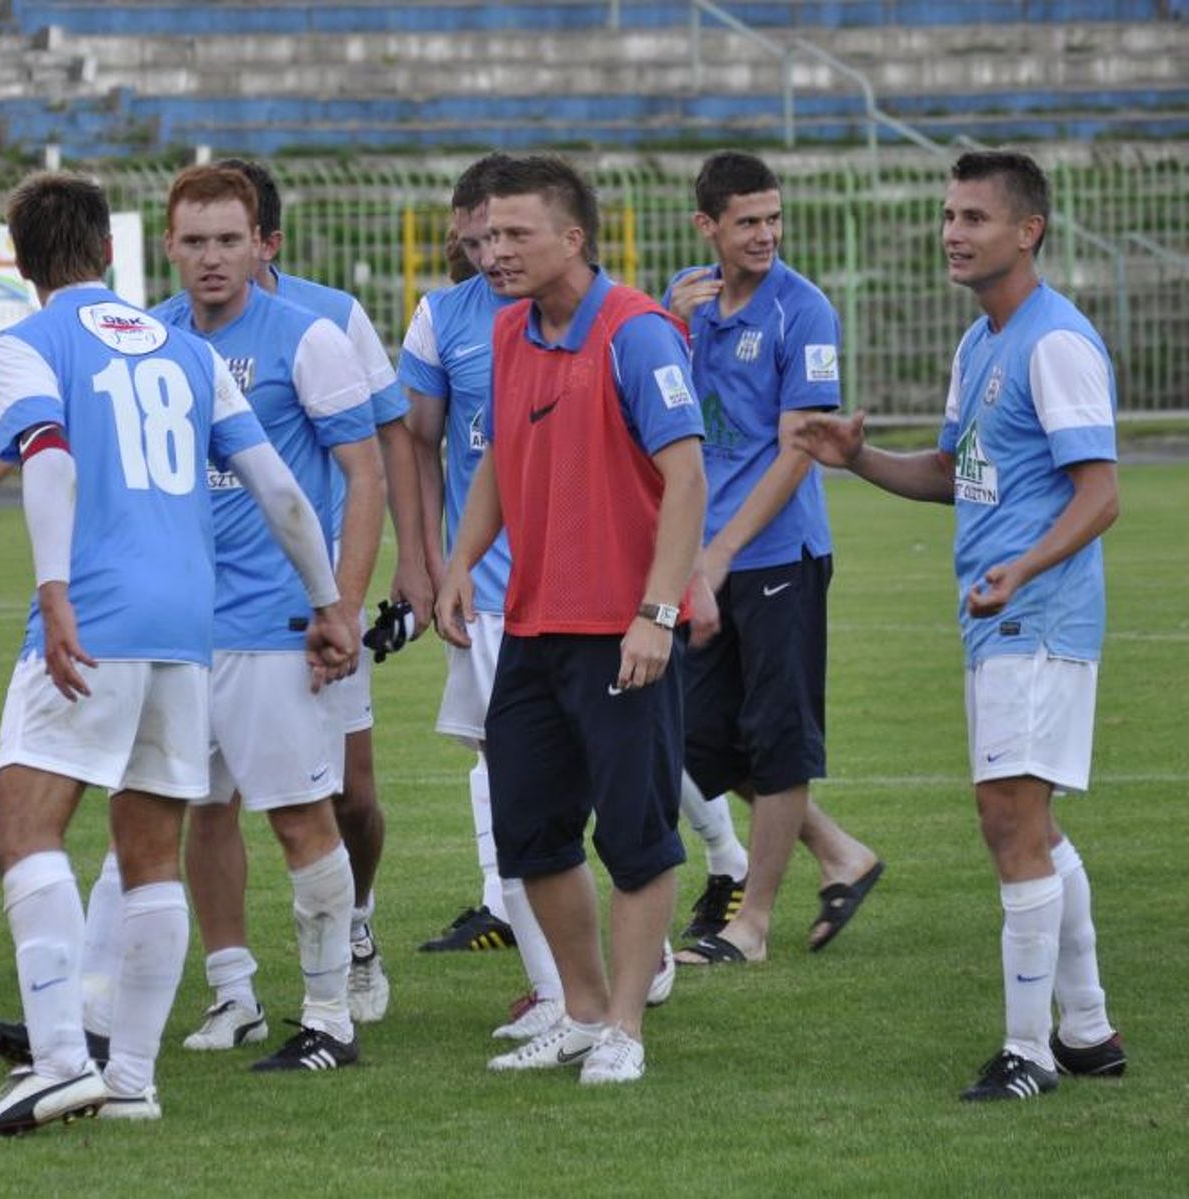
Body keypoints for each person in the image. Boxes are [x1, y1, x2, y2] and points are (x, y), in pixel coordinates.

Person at [0, 170, 355, 1136]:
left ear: (21, 259)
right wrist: (329, 601)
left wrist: (52, 588)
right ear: (108, 252)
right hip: (191, 623)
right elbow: (283, 492)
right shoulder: (185, 350)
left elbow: (46, 458)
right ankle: (128, 1077)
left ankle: (57, 1062)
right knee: (149, 852)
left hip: (95, 614)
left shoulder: (24, 343)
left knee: (23, 832)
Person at [794, 150, 1125, 1101]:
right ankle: (1089, 1028)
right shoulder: (983, 342)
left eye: (974, 216)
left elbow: (1100, 494)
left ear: (1028, 231)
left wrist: (1021, 566)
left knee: (1007, 821)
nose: (952, 231)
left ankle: (1029, 1052)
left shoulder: (1055, 342)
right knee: (1031, 822)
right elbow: (954, 474)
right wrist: (859, 460)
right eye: (948, 214)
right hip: (999, 617)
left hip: (1039, 616)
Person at [436, 155, 708, 1085]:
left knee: (634, 836)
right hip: (532, 626)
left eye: (516, 235)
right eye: (486, 236)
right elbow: (500, 465)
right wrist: (460, 562)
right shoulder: (510, 334)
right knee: (531, 833)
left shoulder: (639, 332)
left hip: (621, 629)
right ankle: (584, 1011)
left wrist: (656, 613)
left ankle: (627, 1024)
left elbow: (686, 479)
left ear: (572, 238)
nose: (494, 251)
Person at [151, 158, 421, 1027]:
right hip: (184, 623)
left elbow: (366, 470)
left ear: (260, 241)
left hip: (284, 620)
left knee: (324, 808)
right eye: (195, 242)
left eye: (228, 239)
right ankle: (234, 993)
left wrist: (340, 602)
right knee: (198, 808)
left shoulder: (310, 333)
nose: (212, 258)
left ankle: (335, 991)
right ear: (170, 248)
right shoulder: (149, 338)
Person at [662, 151, 883, 968]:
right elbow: (655, 409)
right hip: (702, 556)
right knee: (694, 740)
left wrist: (718, 552)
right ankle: (841, 854)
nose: (765, 235)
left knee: (777, 736)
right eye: (748, 221)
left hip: (777, 553)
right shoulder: (682, 301)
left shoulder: (805, 310)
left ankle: (750, 924)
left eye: (773, 218)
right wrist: (668, 325)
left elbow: (801, 449)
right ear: (707, 226)